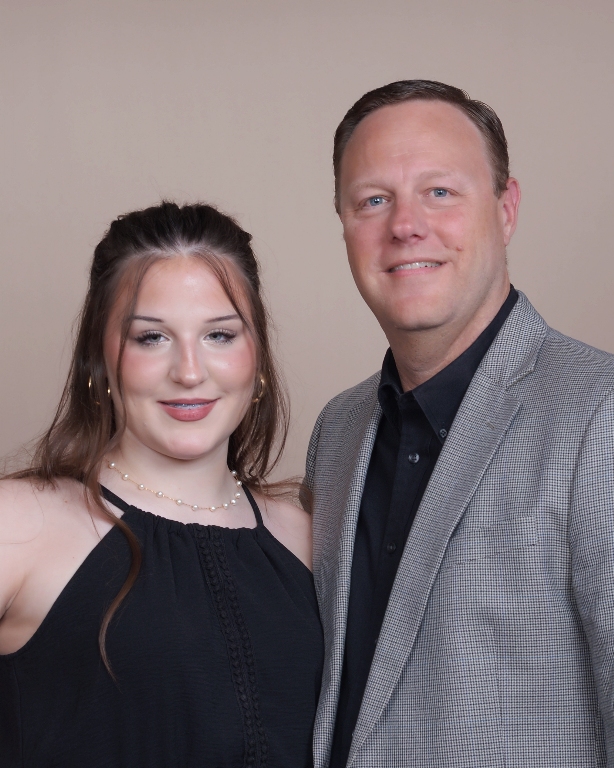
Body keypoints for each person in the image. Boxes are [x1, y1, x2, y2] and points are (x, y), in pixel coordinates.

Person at [304, 80, 614, 767]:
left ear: (506, 210)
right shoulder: (338, 431)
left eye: (440, 191)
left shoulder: (601, 414)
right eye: (373, 200)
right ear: (344, 223)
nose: (405, 225)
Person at [0, 201, 323, 767]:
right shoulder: (20, 523)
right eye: (151, 338)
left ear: (258, 357)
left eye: (220, 334)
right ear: (100, 358)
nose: (190, 371)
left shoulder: (310, 537)